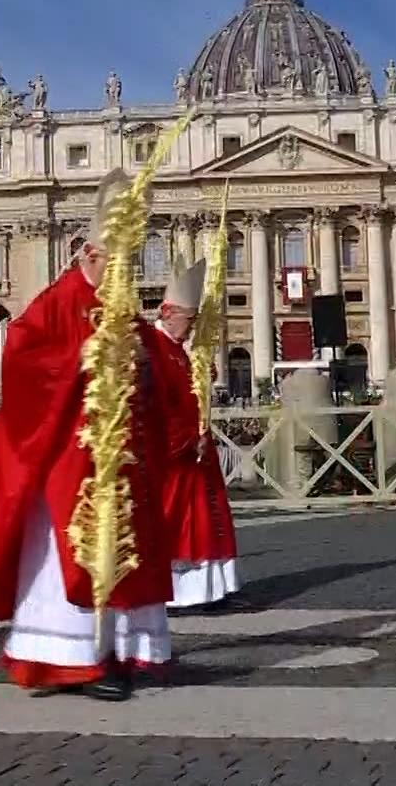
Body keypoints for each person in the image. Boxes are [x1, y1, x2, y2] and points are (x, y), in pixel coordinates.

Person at [0, 170, 172, 701]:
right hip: (69, 458)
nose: (122, 274)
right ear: (89, 254)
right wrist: (82, 360)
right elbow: (22, 358)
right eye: (114, 263)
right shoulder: (58, 301)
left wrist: (143, 364)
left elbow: (154, 368)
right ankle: (70, 658)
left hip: (118, 459)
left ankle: (114, 649)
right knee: (68, 553)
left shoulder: (122, 308)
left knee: (121, 550)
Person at [150, 259, 240, 610]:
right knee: (180, 523)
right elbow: (158, 404)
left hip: (195, 449)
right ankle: (180, 593)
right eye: (189, 320)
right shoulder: (154, 348)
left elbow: (188, 395)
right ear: (168, 312)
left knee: (207, 518)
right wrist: (188, 439)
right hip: (174, 454)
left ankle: (212, 588)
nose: (191, 329)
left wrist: (202, 378)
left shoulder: (176, 349)